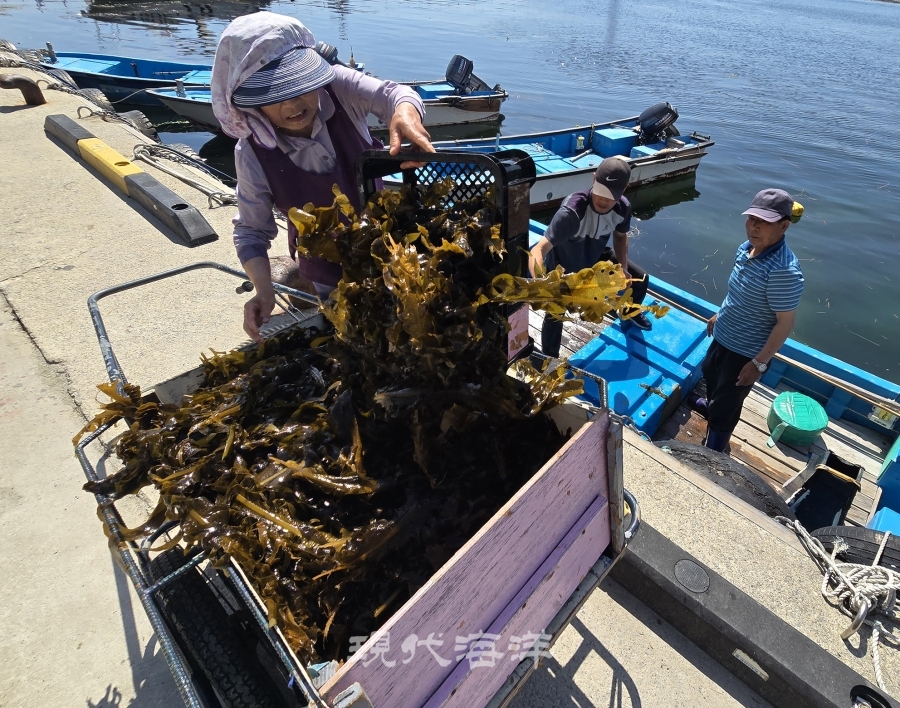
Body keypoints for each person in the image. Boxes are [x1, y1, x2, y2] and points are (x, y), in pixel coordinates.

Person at [211, 12, 435, 343]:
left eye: (300, 85)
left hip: (388, 252)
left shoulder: (338, 89)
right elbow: (251, 232)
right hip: (323, 271)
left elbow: (394, 95)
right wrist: (263, 291)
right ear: (250, 103)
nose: (293, 103)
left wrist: (405, 114)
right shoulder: (251, 154)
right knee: (349, 340)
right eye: (274, 94)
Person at [697, 188, 804, 452]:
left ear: (784, 226)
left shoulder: (783, 271)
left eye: (764, 222)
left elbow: (785, 323)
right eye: (751, 219)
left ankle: (715, 448)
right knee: (710, 375)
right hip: (723, 334)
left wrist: (758, 363)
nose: (754, 227)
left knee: (728, 403)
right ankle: (712, 406)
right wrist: (721, 313)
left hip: (745, 351)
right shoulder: (747, 249)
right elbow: (740, 291)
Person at [528, 156, 652, 358]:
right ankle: (549, 357)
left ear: (624, 189)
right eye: (600, 192)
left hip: (594, 256)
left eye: (610, 195)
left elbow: (620, 237)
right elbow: (539, 250)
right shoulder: (571, 213)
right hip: (563, 266)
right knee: (555, 311)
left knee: (641, 279)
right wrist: (541, 283)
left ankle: (629, 312)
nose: (603, 200)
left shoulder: (623, 208)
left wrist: (623, 268)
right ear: (594, 179)